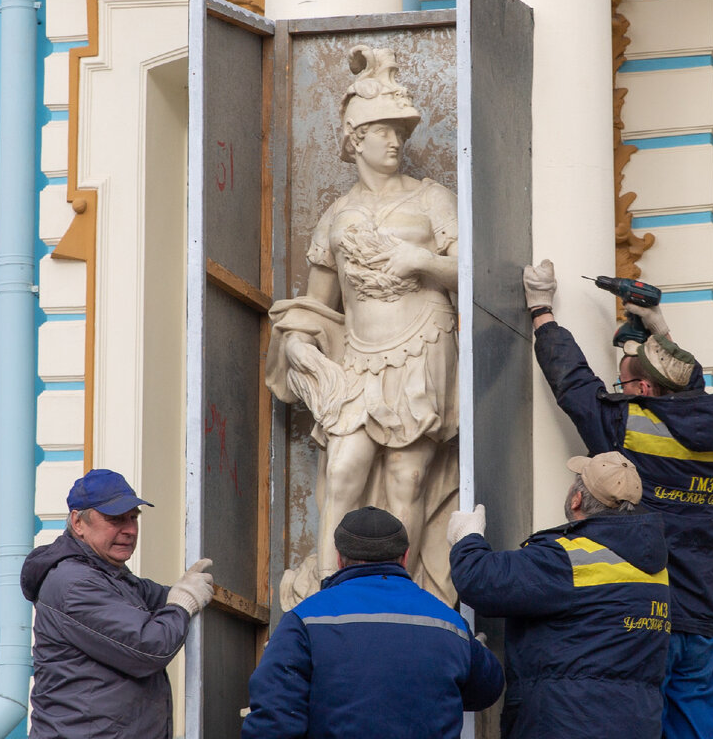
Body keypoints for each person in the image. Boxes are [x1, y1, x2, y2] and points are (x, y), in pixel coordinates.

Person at [266, 45, 459, 606]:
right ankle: (330, 595)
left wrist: (421, 261)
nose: (395, 141)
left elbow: (469, 273)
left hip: (423, 343)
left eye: (400, 131)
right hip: (358, 356)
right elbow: (317, 304)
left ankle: (398, 595)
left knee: (408, 480)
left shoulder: (433, 200)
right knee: (344, 471)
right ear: (355, 140)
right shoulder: (335, 214)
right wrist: (300, 345)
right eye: (382, 131)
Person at [522, 260, 713, 739]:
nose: (620, 393)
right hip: (701, 615)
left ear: (642, 388)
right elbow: (690, 388)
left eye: (624, 384)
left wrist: (542, 312)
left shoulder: (628, 430)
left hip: (649, 616)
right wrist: (661, 333)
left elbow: (575, 386)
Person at [449, 453, 671, 739]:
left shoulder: (570, 559)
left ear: (577, 499)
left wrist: (467, 539)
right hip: (636, 724)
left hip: (568, 723)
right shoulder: (653, 565)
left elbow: (481, 581)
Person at [242, 506, 503, 739]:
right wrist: (466, 653)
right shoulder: (449, 621)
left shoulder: (304, 619)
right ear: (405, 556)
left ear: (338, 558)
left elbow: (274, 721)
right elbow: (488, 689)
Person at [20, 468, 216, 739]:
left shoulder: (109, 575)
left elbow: (154, 596)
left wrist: (188, 591)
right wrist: (183, 603)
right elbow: (150, 647)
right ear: (78, 523)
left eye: (133, 518)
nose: (129, 530)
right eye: (115, 519)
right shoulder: (75, 584)